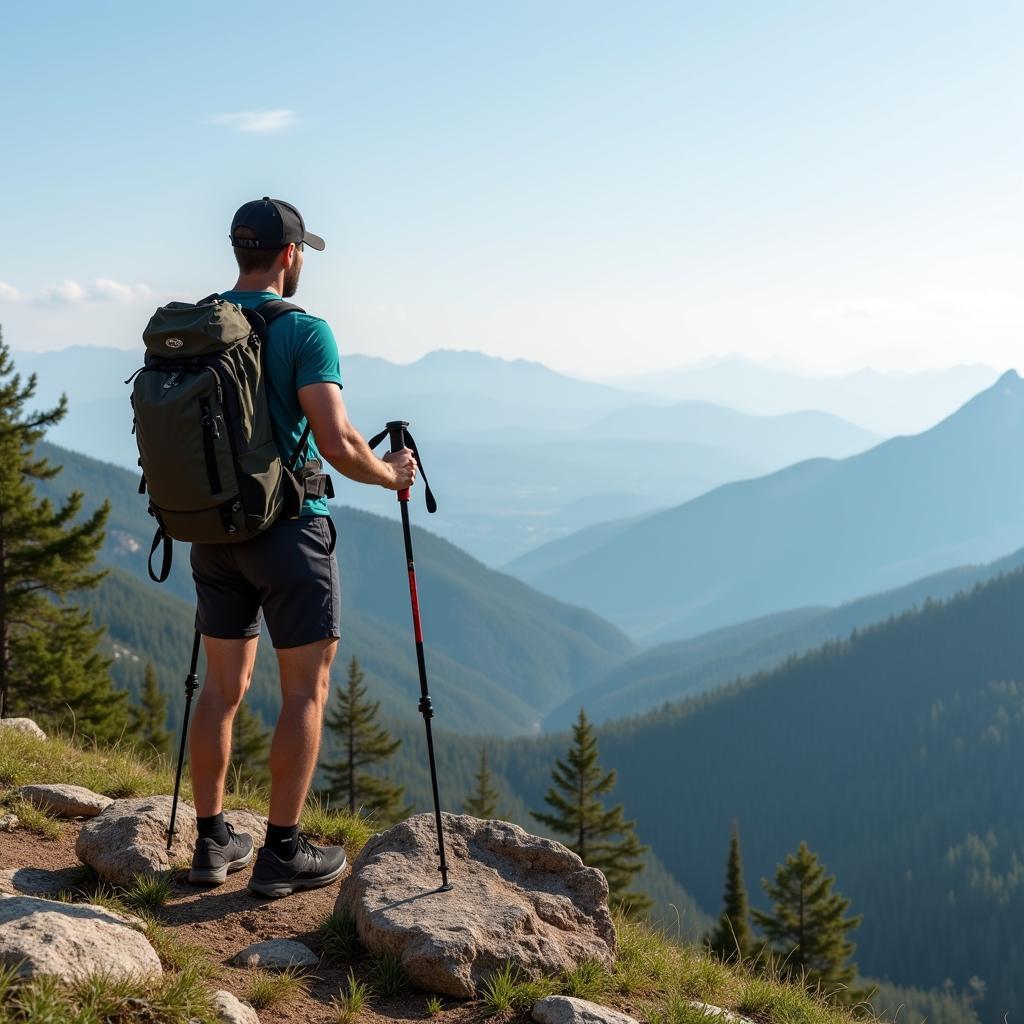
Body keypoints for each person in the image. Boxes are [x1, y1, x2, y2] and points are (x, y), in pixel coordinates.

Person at [186, 197, 416, 897]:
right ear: (289, 255)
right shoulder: (304, 331)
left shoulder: (198, 325)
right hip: (288, 532)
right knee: (304, 692)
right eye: (302, 251)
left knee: (221, 689)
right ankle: (282, 853)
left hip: (212, 530)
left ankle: (210, 840)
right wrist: (391, 475)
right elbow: (342, 443)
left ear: (238, 250)